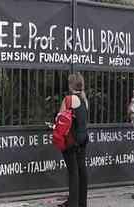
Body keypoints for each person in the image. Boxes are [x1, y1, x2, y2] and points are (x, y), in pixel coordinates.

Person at [58, 72, 89, 207]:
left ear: (70, 84)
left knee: (73, 172)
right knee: (82, 170)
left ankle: (72, 203)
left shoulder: (69, 99)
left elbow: (60, 118)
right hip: (83, 139)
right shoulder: (84, 100)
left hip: (71, 140)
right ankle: (81, 202)